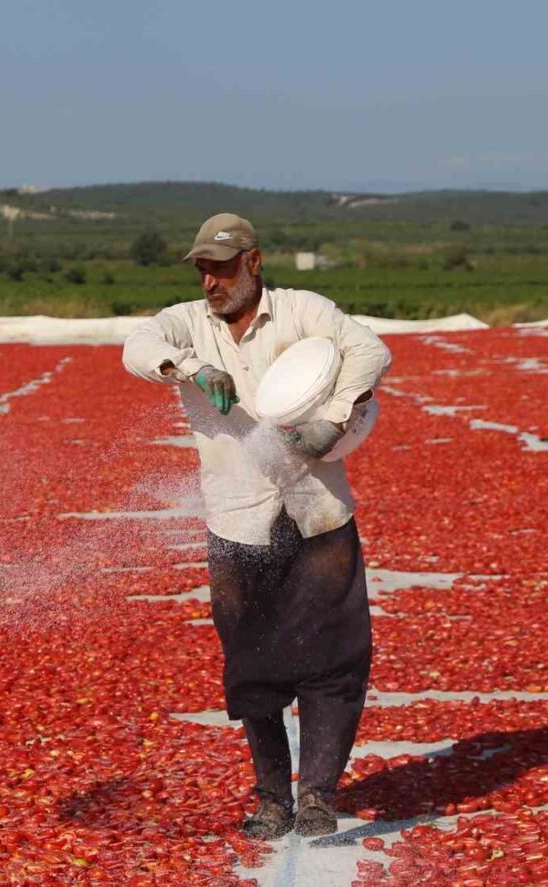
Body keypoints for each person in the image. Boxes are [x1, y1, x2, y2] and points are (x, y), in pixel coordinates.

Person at [122, 213, 392, 839]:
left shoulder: (302, 310)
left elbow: (370, 351)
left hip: (318, 515)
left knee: (334, 660)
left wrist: (335, 416)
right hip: (238, 520)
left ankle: (318, 796)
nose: (211, 281)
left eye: (222, 268)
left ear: (254, 261)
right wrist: (189, 368)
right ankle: (273, 797)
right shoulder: (188, 325)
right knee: (253, 663)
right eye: (203, 270)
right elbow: (137, 346)